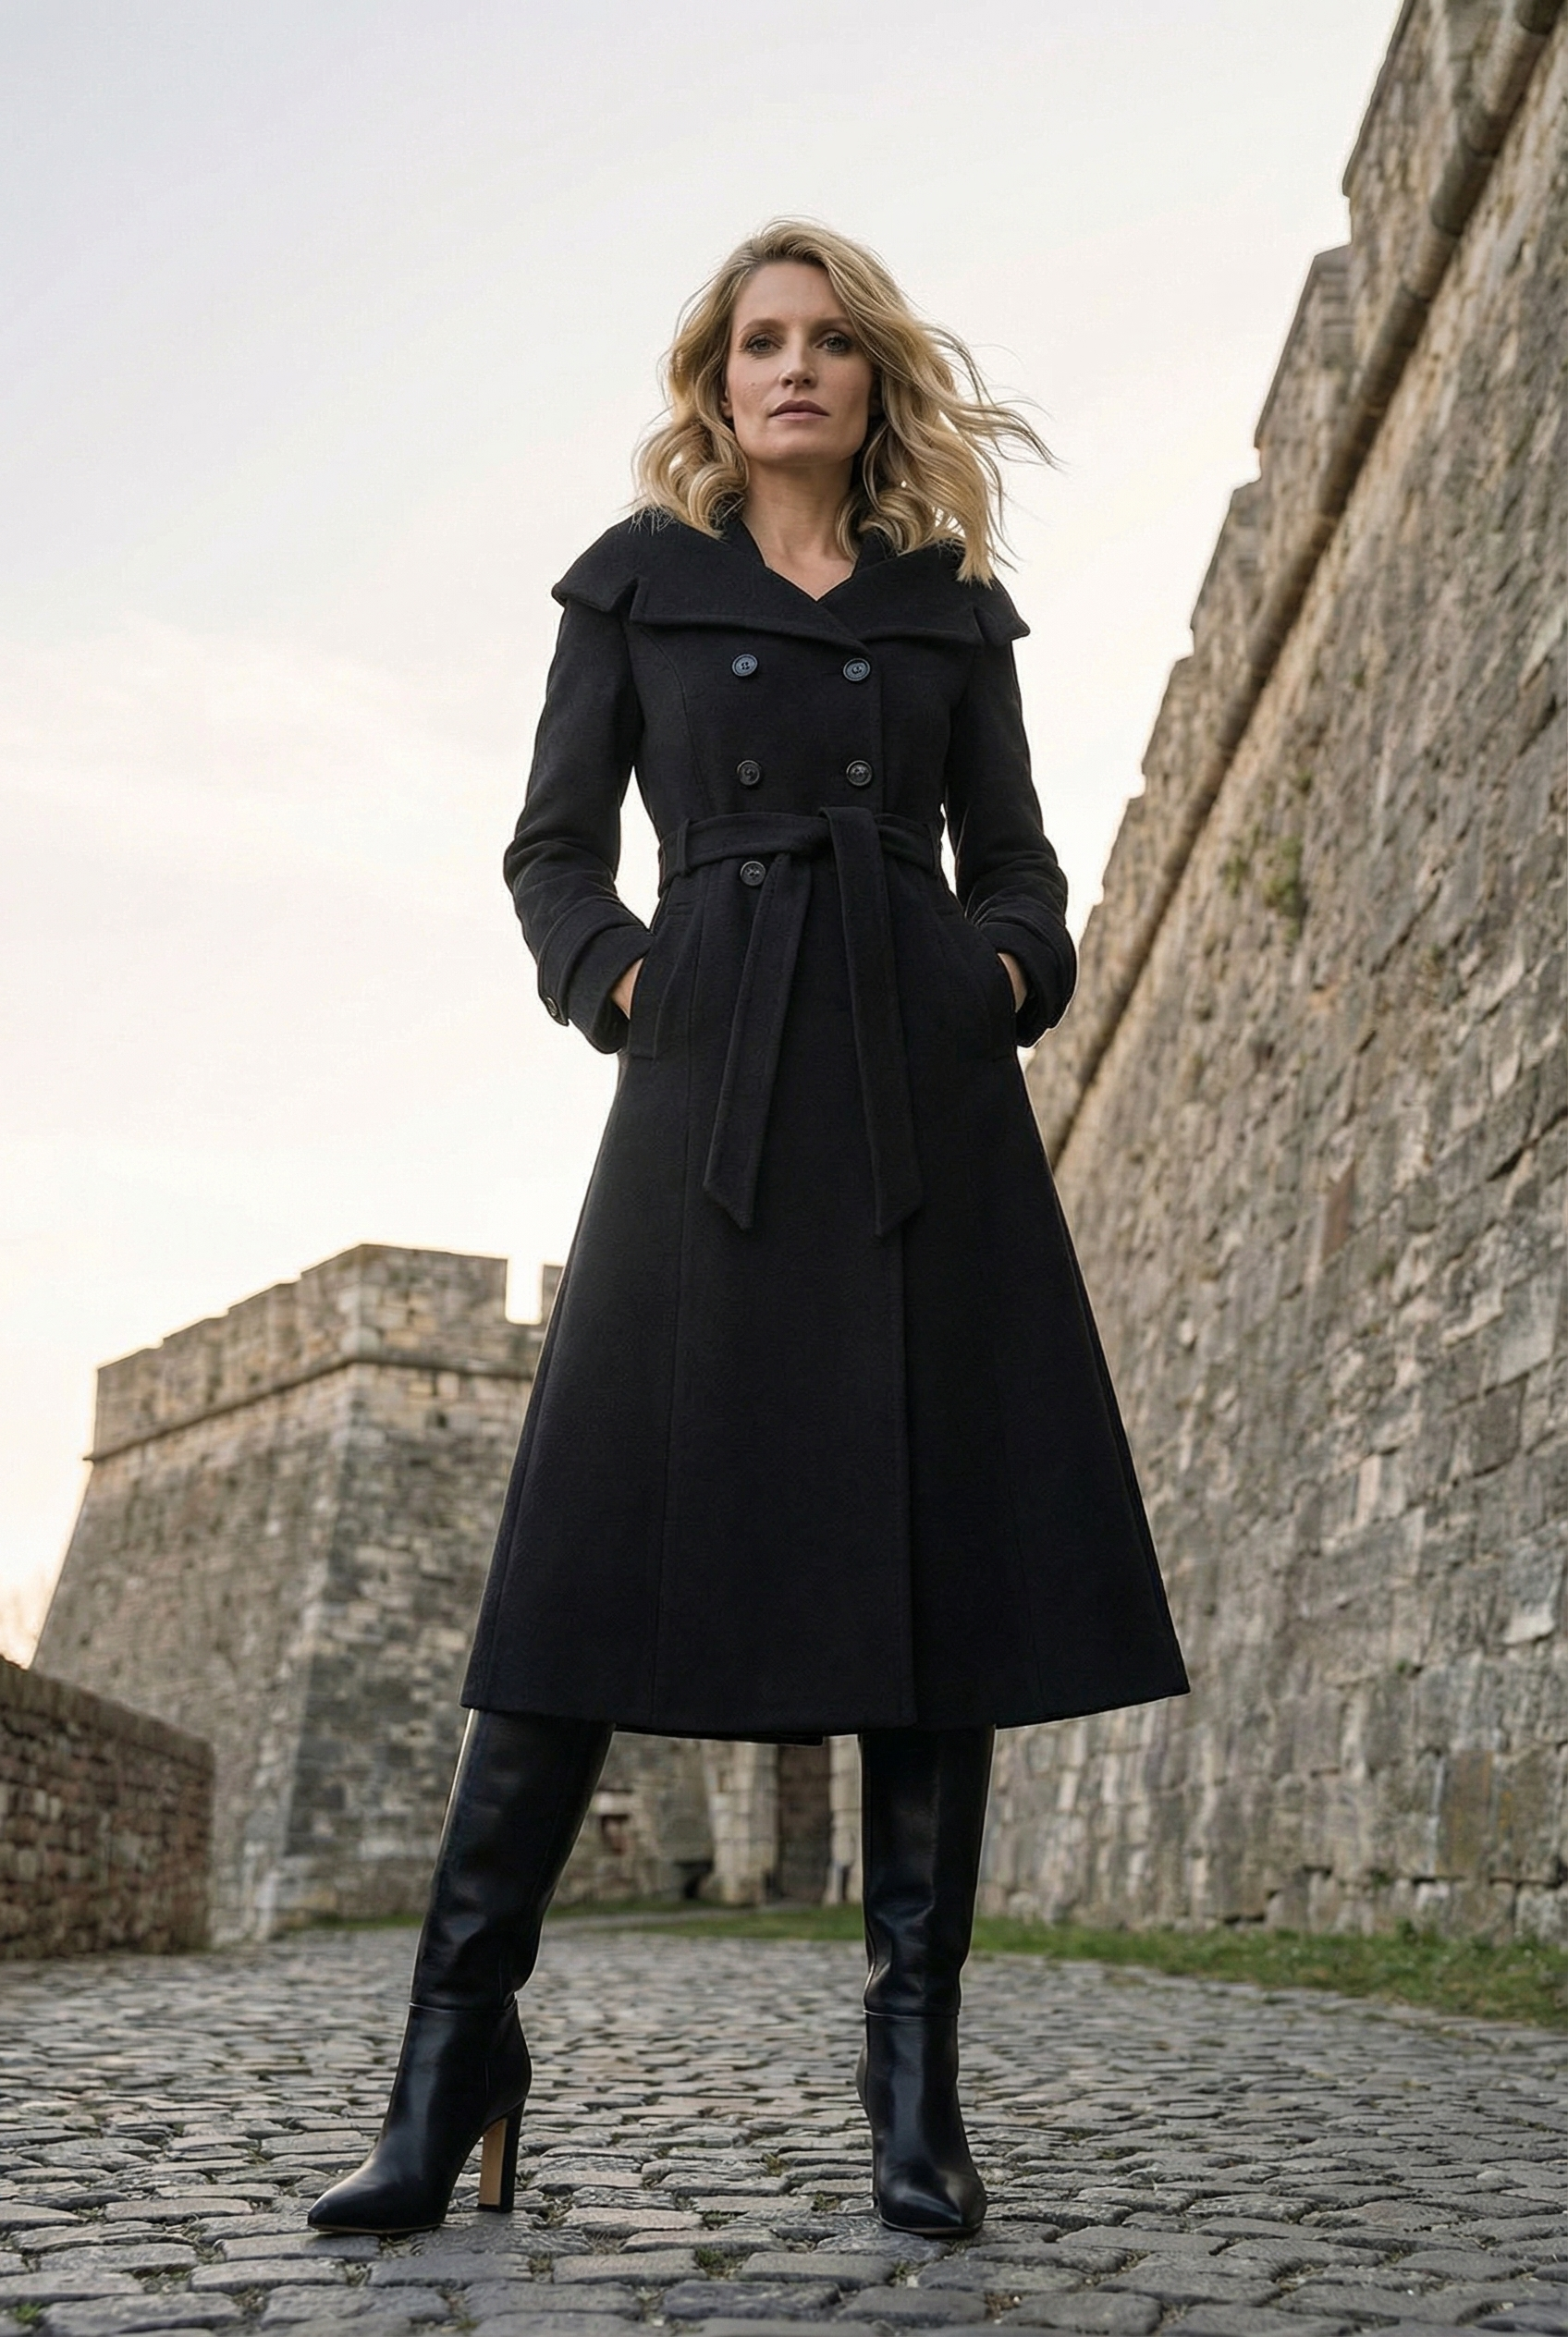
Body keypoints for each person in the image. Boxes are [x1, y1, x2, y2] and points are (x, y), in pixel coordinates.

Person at [310, 219, 1186, 2245]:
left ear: (873, 377)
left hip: (919, 1104)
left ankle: (913, 2086)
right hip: (700, 1085)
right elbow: (546, 848)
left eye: (825, 342)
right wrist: (625, 981)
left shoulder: (947, 605)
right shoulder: (630, 590)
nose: (790, 369)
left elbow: (1026, 867)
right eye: (755, 342)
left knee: (928, 1585)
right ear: (713, 385)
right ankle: (453, 2062)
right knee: (574, 1560)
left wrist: (996, 981)